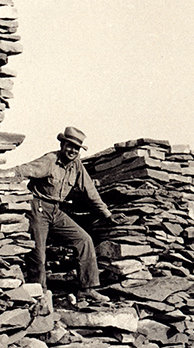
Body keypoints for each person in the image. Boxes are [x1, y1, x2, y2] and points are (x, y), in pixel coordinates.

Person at [9, 126, 116, 306]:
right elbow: (22, 170)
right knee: (38, 253)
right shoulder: (50, 160)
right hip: (38, 207)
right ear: (62, 144)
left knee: (84, 240)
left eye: (77, 148)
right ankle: (39, 295)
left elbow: (90, 191)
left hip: (56, 211)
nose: (73, 151)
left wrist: (106, 214)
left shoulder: (76, 166)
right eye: (70, 146)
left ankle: (87, 289)